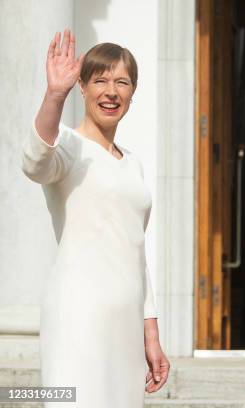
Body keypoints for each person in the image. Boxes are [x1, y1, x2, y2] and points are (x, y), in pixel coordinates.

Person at [21, 29, 170, 407]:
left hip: (125, 323)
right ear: (83, 88)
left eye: (122, 81)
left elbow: (135, 250)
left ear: (132, 94)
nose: (111, 90)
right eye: (100, 80)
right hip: (78, 314)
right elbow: (35, 163)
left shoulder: (133, 163)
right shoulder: (68, 146)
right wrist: (55, 94)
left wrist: (150, 333)